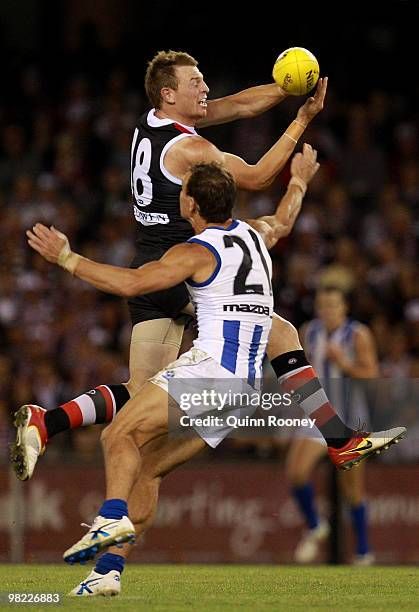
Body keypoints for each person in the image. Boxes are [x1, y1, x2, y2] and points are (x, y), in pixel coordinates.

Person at [26, 162, 405, 596]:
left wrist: (65, 257)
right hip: (243, 393)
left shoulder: (195, 252)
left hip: (211, 373)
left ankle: (109, 520)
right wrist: (298, 179)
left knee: (116, 436)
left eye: (183, 191)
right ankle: (107, 573)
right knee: (147, 470)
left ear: (190, 203)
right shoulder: (256, 234)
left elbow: (132, 284)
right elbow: (285, 218)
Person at [12, 50, 329, 483]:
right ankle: (338, 435)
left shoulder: (154, 122)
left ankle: (46, 422)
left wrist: (285, 87)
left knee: (140, 390)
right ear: (168, 93)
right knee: (276, 331)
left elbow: (236, 105)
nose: (205, 88)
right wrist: (301, 120)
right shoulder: (190, 148)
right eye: (195, 82)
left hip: (151, 265)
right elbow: (255, 177)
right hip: (185, 269)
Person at [286, 286, 378, 565]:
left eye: (333, 305)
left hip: (349, 418)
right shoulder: (308, 331)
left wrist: (344, 364)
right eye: (323, 305)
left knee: (352, 489)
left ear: (344, 308)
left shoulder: (358, 335)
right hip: (317, 414)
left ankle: (363, 551)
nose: (327, 311)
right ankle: (315, 526)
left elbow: (372, 375)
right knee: (296, 472)